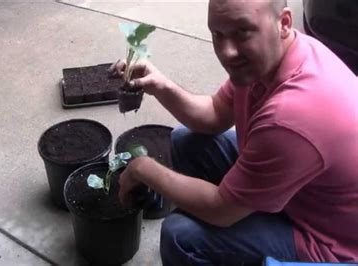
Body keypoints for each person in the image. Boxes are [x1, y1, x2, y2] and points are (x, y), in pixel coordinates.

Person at [109, 0, 358, 264]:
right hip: (302, 193)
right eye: (218, 34)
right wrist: (159, 84)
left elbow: (221, 210)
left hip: (330, 239)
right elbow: (214, 114)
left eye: (243, 32)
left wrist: (143, 168)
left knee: (180, 236)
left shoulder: (291, 116)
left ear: (284, 23)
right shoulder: (274, 57)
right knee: (187, 141)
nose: (227, 52)